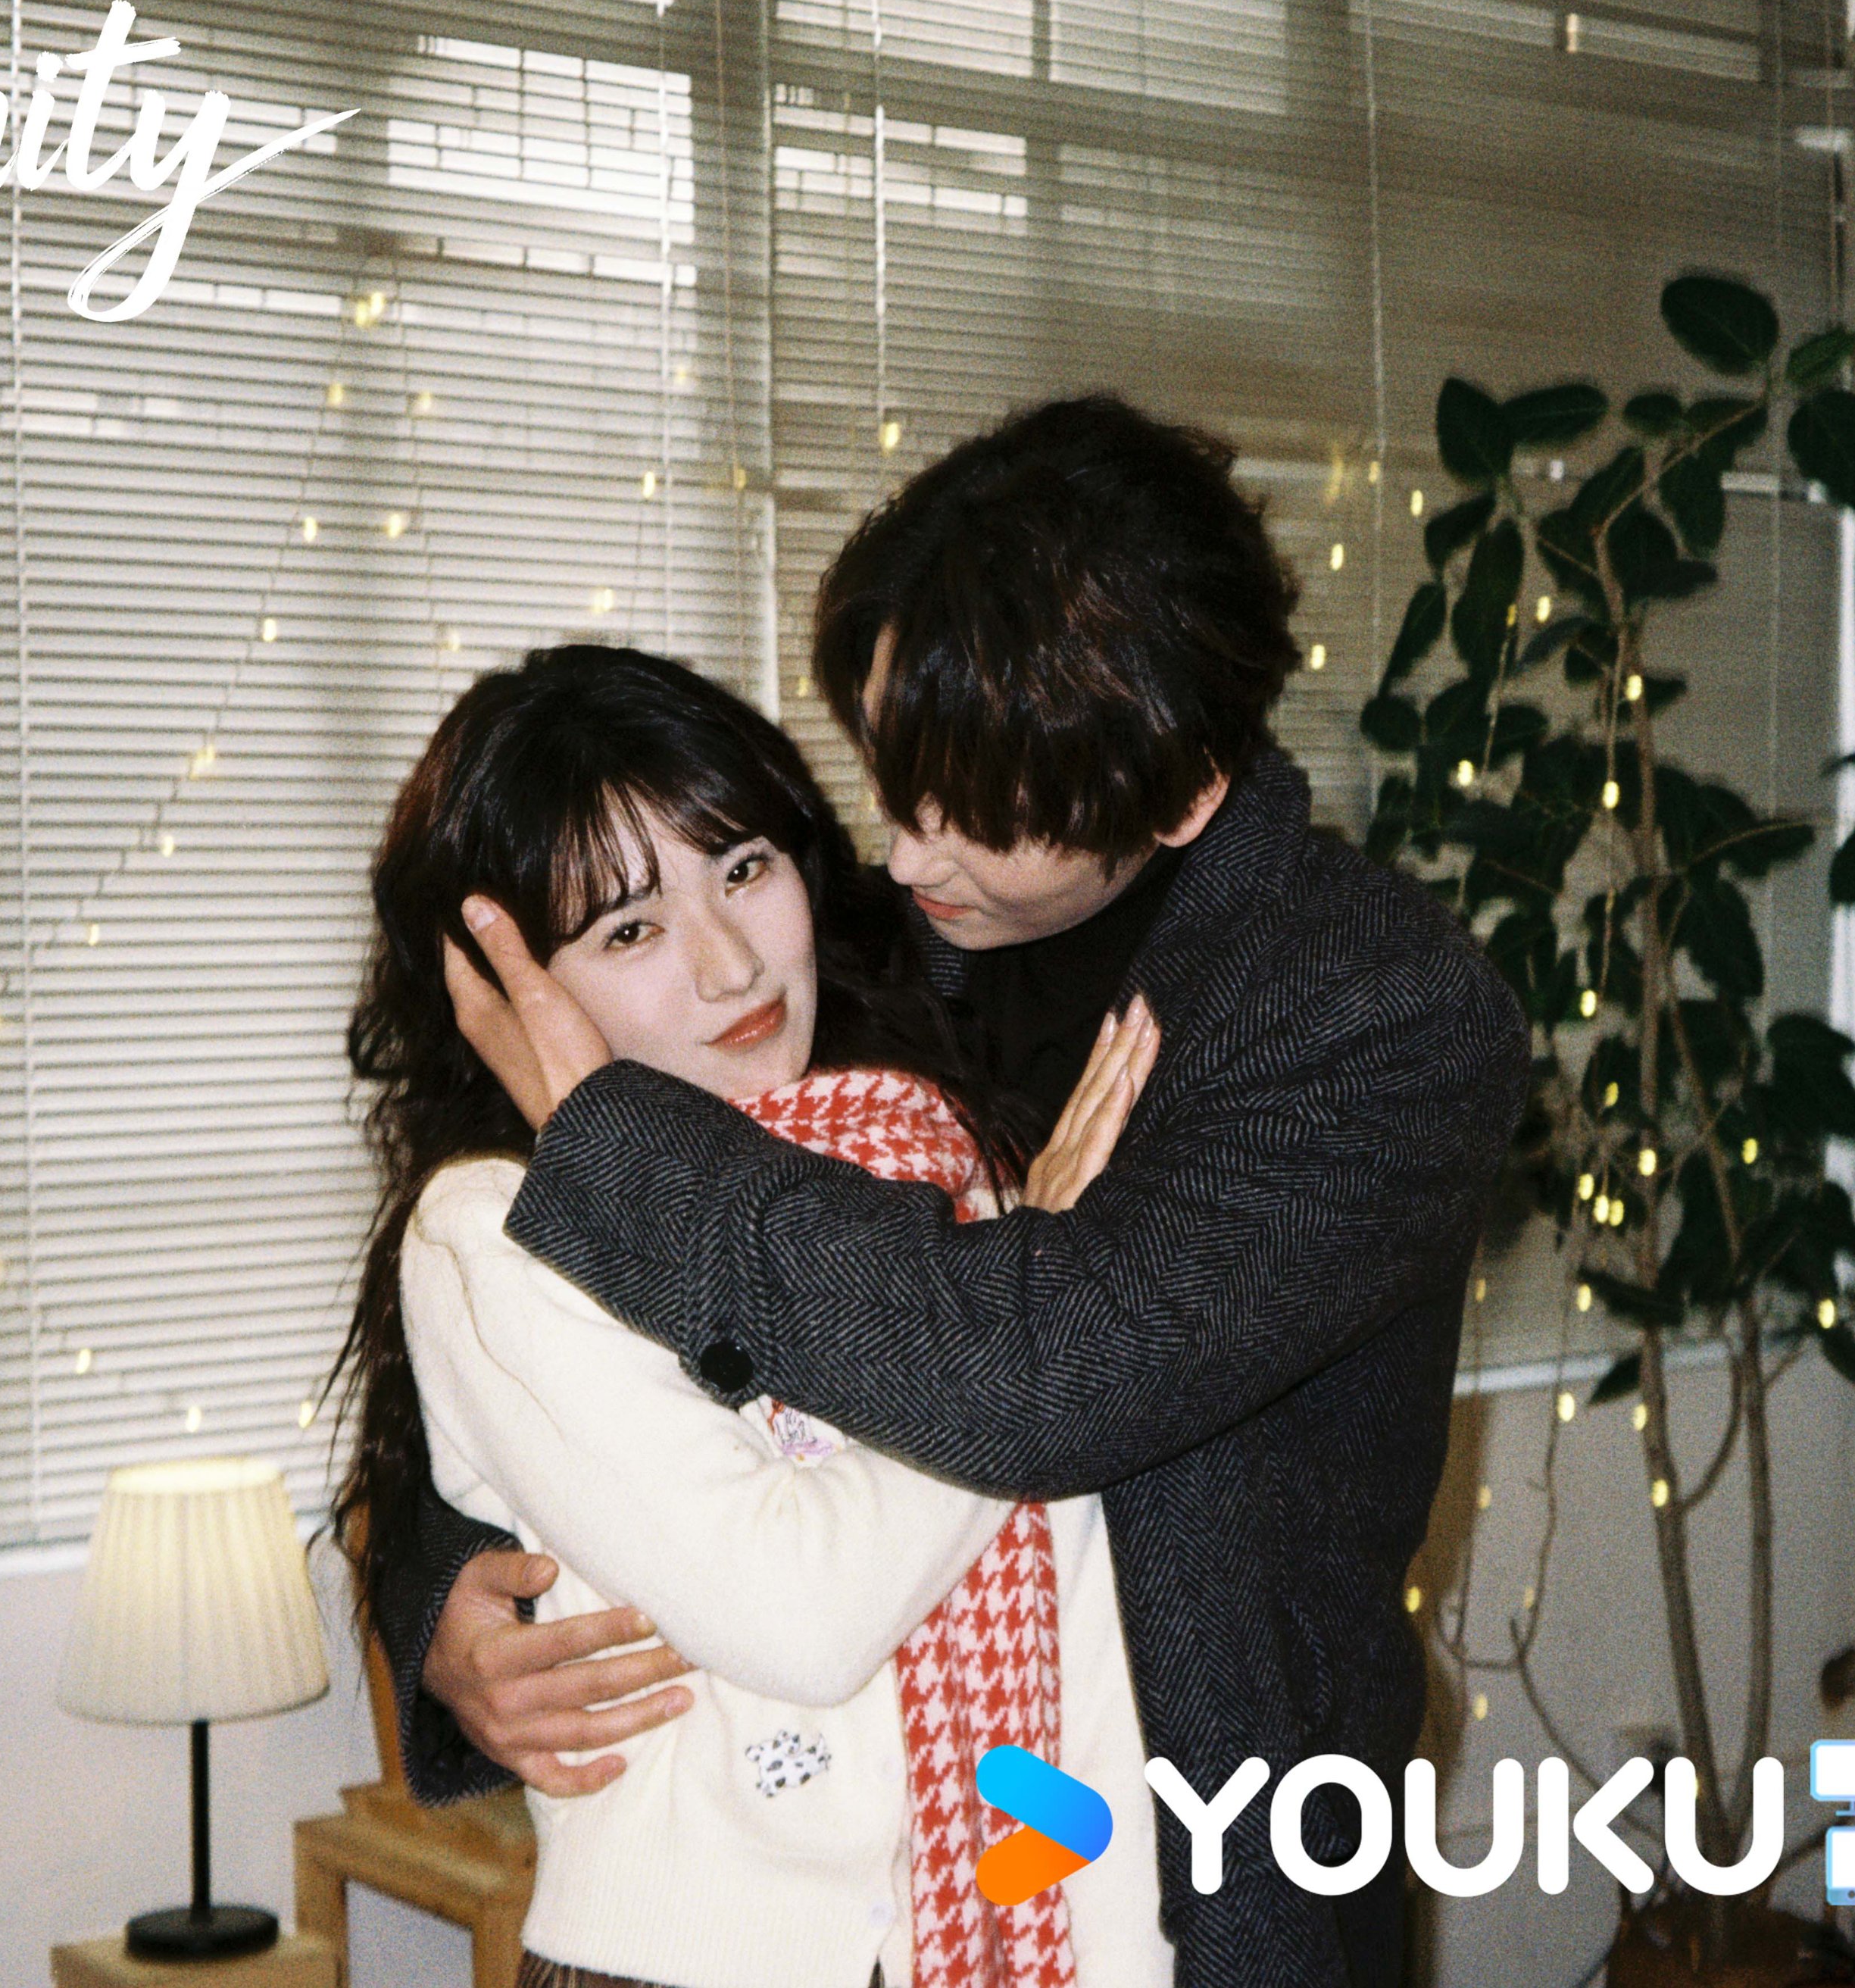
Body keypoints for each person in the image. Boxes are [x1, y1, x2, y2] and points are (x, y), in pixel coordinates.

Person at [390, 396, 1532, 1988]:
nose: (904, 854)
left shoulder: (1371, 1013)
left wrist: (611, 1147)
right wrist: (447, 1590)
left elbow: (1035, 1374)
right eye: (889, 777)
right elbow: (519, 1330)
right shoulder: (869, 951)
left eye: (969, 808)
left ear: (1175, 794)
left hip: (1208, 1888)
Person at [333, 645, 1172, 1988]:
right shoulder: (495, 1229)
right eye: (629, 930)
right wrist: (1023, 1307)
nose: (730, 965)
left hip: (1018, 1937)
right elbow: (801, 1613)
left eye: (743, 867)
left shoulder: (943, 1134)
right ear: (501, 994)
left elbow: (1091, 1649)